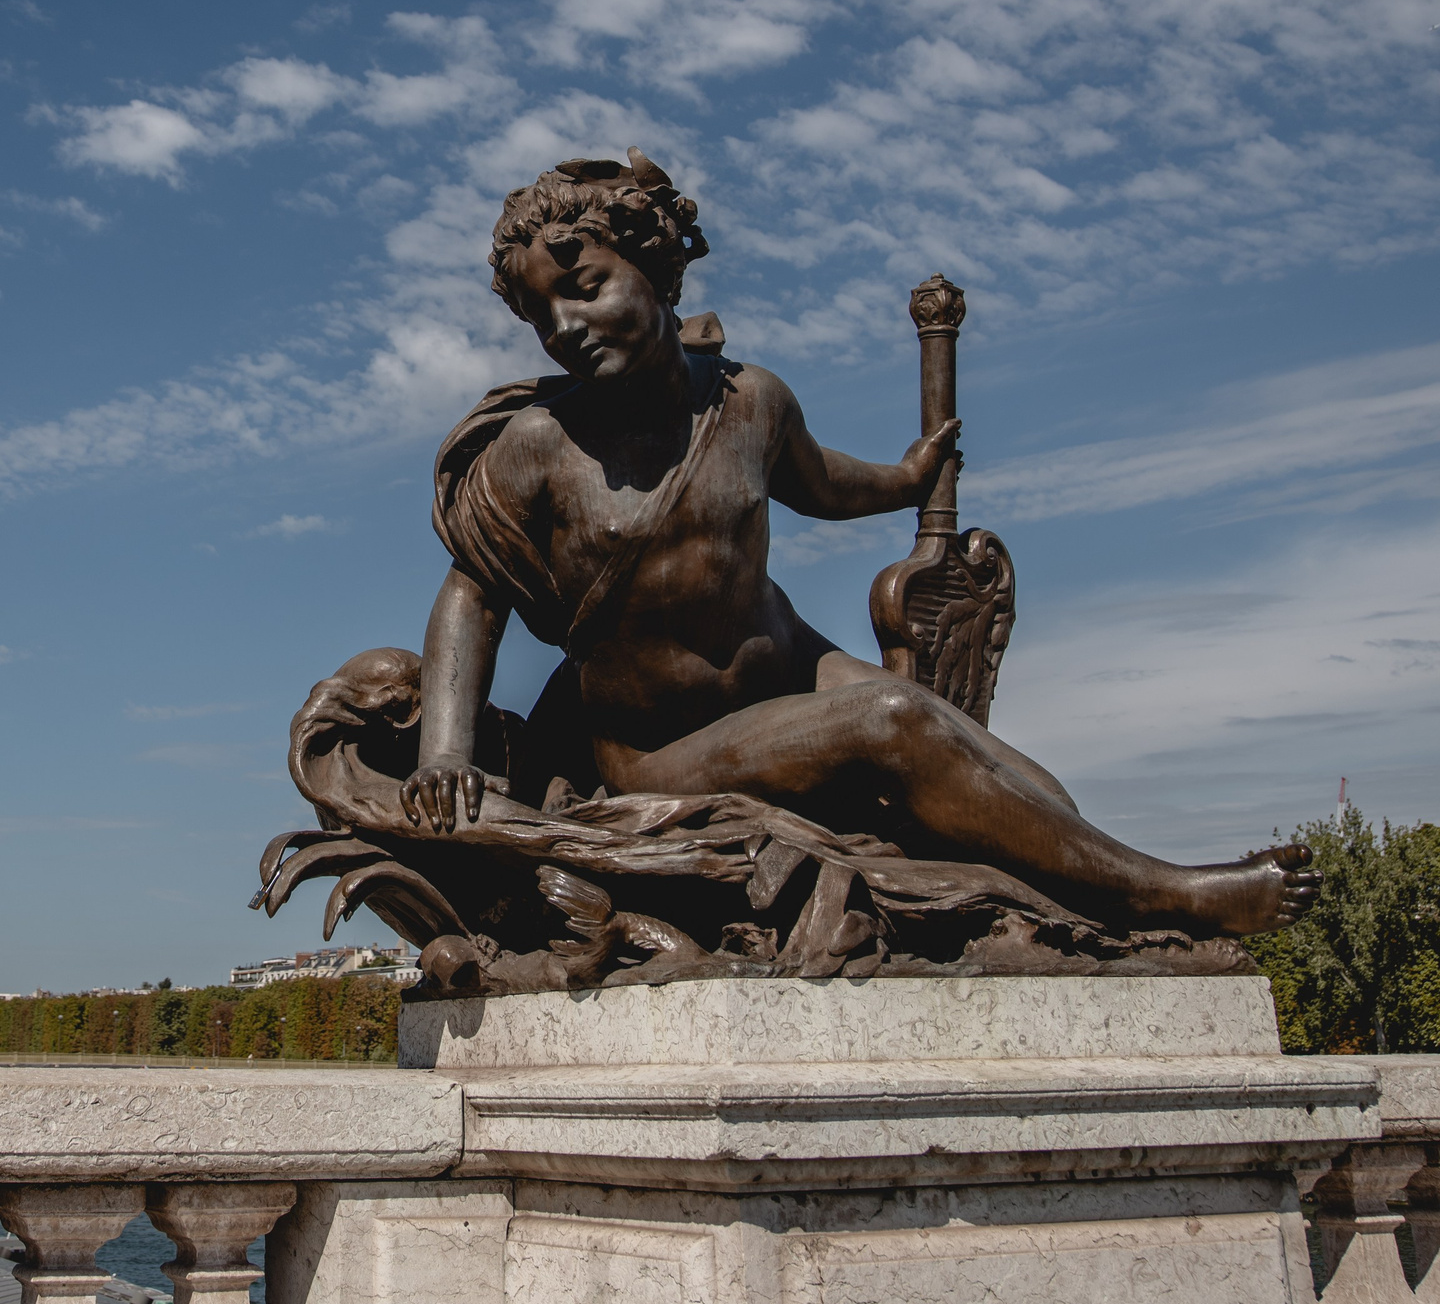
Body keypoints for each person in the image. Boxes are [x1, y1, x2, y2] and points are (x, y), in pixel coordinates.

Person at [403, 150, 1317, 938]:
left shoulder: (750, 399)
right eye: (540, 313)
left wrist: (910, 478)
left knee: (1023, 780)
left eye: (585, 286)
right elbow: (471, 597)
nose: (563, 325)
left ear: (657, 268)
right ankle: (1175, 895)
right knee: (895, 721)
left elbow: (825, 485)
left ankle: (1094, 901)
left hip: (794, 667)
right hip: (660, 746)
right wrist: (445, 755)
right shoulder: (535, 449)